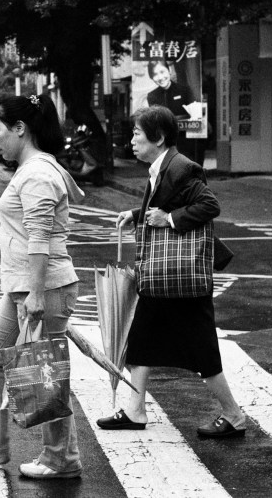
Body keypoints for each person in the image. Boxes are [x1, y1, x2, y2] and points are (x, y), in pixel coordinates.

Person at [0, 94, 86, 479]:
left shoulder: (39, 173)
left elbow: (40, 238)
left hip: (43, 288)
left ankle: (62, 458)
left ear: (20, 129)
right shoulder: (31, 170)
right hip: (26, 288)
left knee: (46, 374)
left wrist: (38, 294)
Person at [96, 105, 246, 439]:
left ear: (159, 137)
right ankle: (135, 410)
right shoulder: (161, 166)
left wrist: (169, 220)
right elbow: (166, 201)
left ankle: (234, 415)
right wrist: (138, 214)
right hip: (164, 278)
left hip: (182, 278)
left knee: (202, 349)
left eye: (137, 133)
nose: (132, 140)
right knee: (141, 339)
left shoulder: (181, 166)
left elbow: (209, 206)